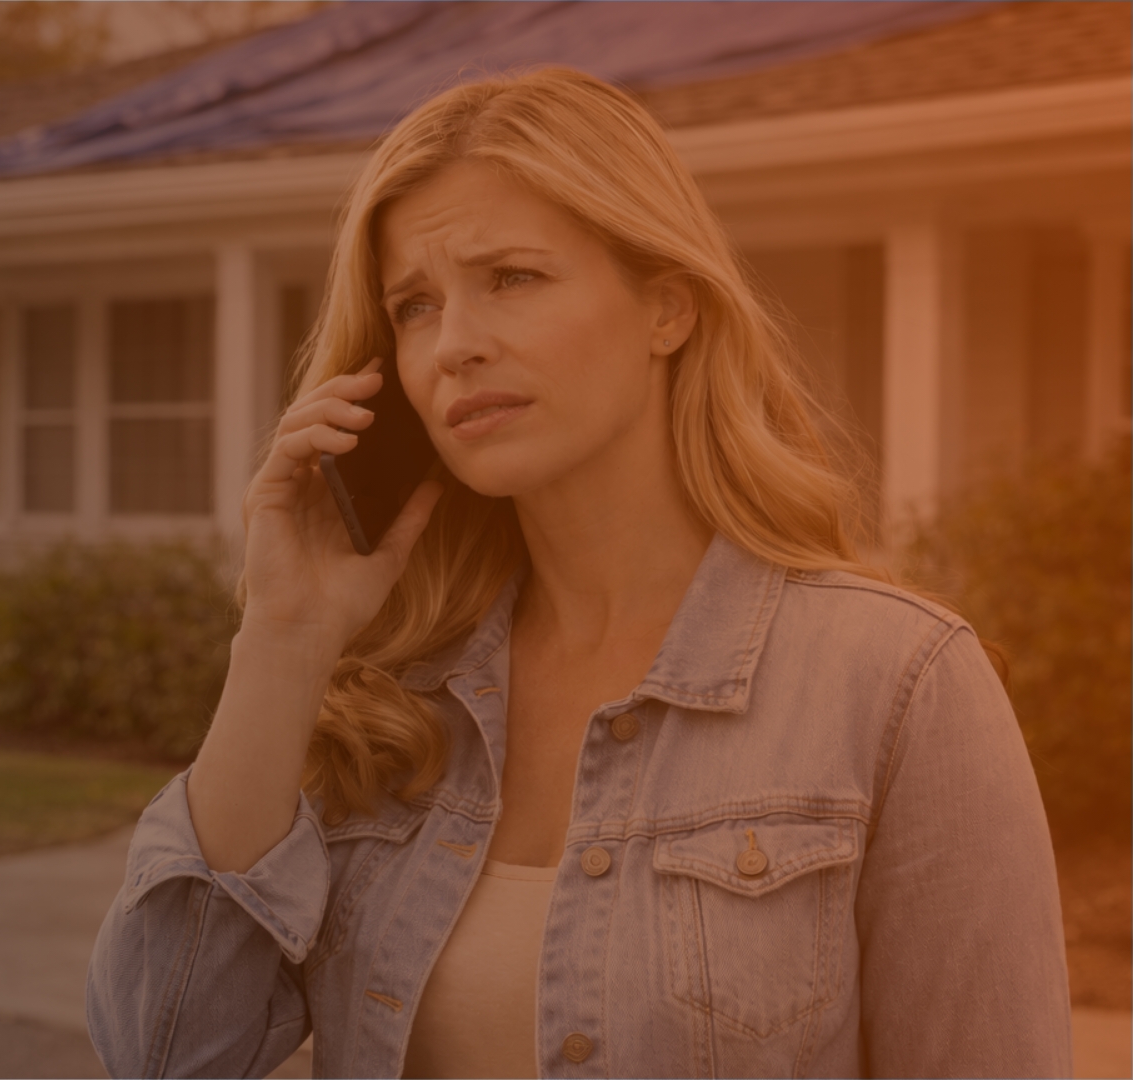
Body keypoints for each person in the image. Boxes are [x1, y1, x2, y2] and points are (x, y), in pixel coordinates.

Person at [85, 67, 1071, 1079]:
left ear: (667, 309)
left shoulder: (897, 684)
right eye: (415, 306)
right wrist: (285, 637)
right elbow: (164, 1053)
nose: (454, 346)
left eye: (512, 278)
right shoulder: (388, 700)